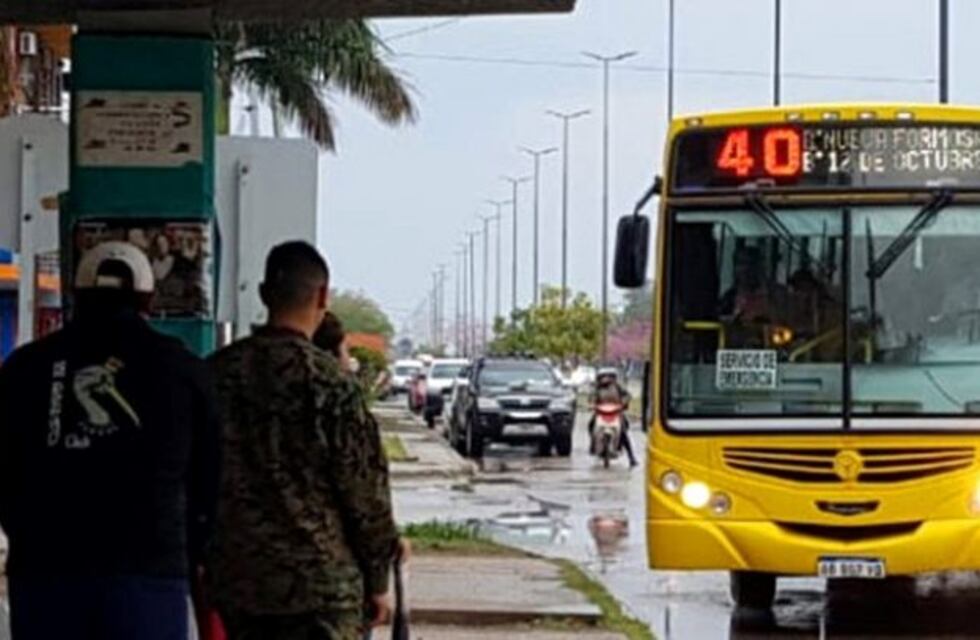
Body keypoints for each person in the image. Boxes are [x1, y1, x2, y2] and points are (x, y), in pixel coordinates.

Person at [0, 241, 220, 640]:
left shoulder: (25, 368)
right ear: (148, 300)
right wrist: (191, 549)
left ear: (76, 296)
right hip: (151, 575)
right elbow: (210, 482)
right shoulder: (185, 371)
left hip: (46, 573)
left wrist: (27, 533)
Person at [207, 241, 399, 639]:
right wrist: (379, 579)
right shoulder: (330, 384)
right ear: (323, 296)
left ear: (263, 294)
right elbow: (365, 493)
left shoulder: (215, 376)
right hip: (323, 593)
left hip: (239, 586)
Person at [588, 369, 638, 468]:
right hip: (601, 413)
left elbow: (627, 396)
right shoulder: (596, 389)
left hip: (616, 413)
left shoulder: (618, 387)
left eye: (609, 377)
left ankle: (631, 457)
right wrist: (593, 405)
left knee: (624, 431)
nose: (606, 379)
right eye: (603, 377)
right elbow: (592, 398)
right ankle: (594, 446)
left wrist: (623, 403)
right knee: (590, 425)